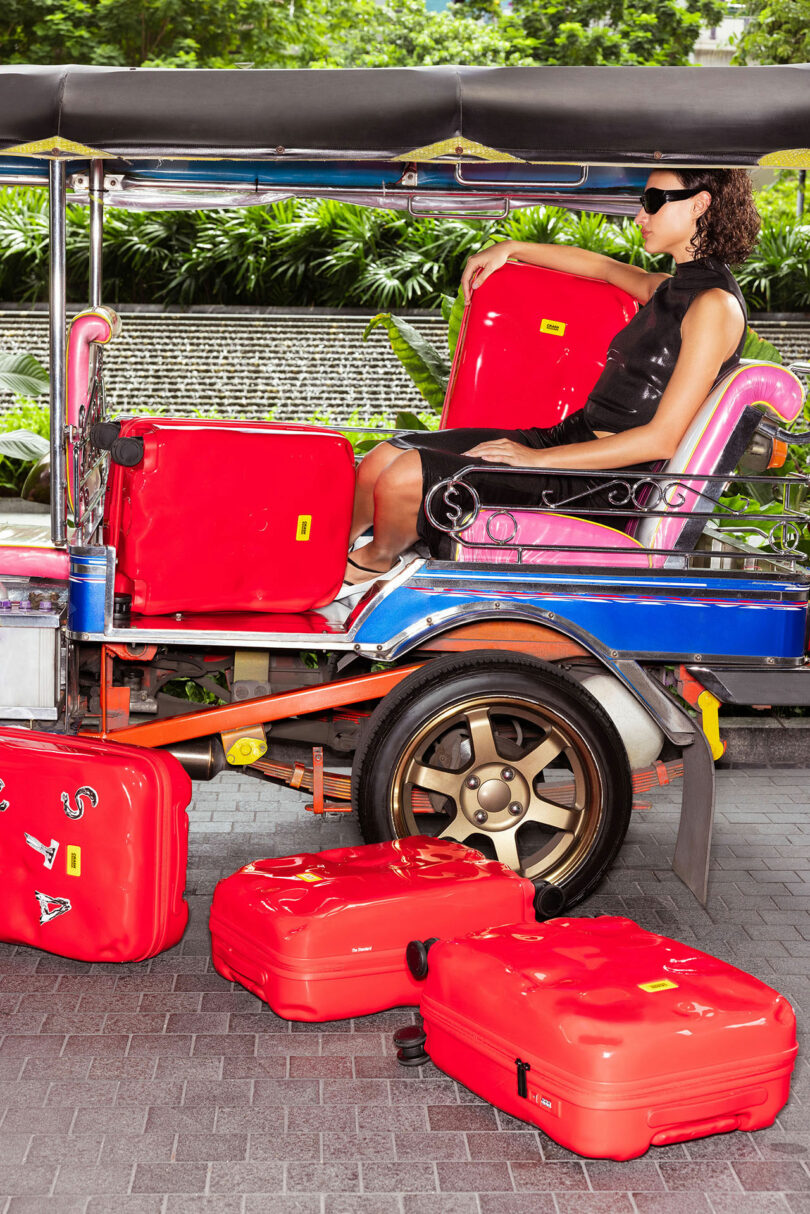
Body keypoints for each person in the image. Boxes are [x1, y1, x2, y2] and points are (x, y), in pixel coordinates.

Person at [341, 167, 760, 588]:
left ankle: (373, 564)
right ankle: (327, 553)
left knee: (403, 478)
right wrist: (510, 247)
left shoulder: (714, 306)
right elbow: (604, 268)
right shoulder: (671, 288)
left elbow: (662, 439)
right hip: (566, 442)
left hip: (599, 484)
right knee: (381, 459)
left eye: (652, 202)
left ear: (700, 204)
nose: (639, 215)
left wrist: (536, 460)